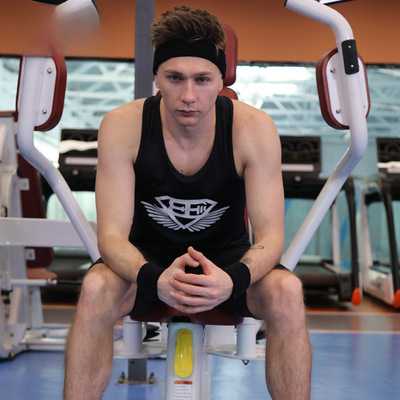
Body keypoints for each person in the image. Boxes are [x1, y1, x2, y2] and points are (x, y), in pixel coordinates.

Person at [63, 5, 312, 400]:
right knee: (95, 288)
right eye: (175, 78)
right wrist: (152, 279)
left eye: (203, 79)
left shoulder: (253, 129)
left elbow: (270, 237)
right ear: (156, 77)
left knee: (287, 292)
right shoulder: (123, 125)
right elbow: (110, 237)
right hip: (144, 263)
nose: (189, 96)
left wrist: (233, 279)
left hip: (228, 263)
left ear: (222, 79)